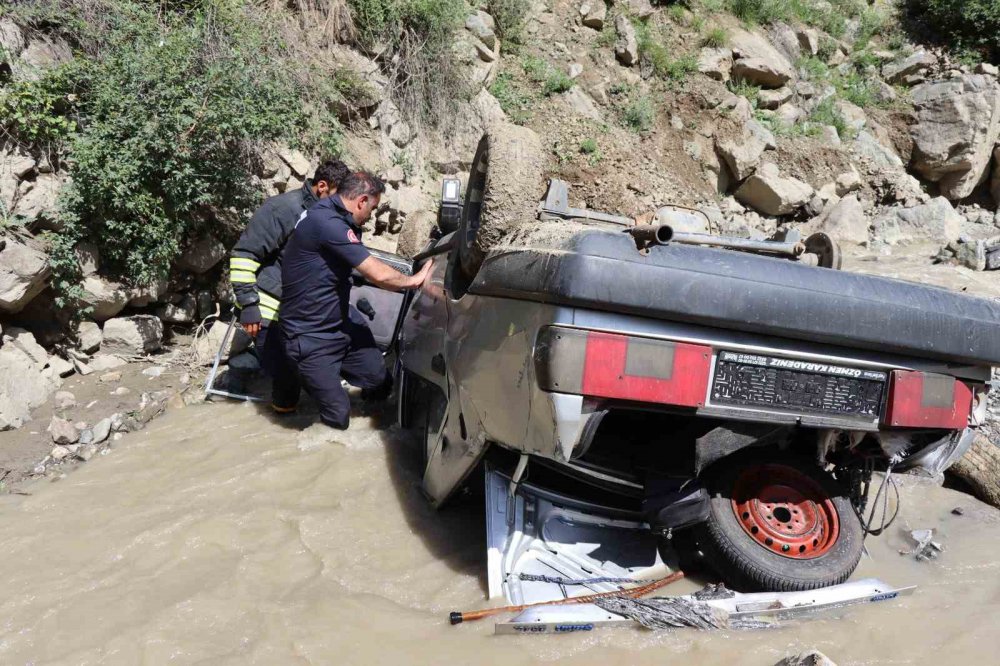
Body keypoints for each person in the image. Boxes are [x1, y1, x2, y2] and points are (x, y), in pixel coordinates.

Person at [280, 171, 432, 430]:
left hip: (339, 321)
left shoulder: (337, 216)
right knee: (338, 417)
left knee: (380, 380)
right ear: (361, 200)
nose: (371, 217)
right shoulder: (327, 222)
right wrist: (416, 279)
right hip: (310, 335)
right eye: (371, 209)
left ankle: (376, 424)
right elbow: (379, 275)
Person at [228, 160, 350, 412]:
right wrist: (249, 304)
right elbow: (243, 256)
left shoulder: (325, 214)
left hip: (299, 309)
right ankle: (283, 419)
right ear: (323, 186)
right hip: (266, 307)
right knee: (287, 375)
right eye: (338, 197)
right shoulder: (282, 209)